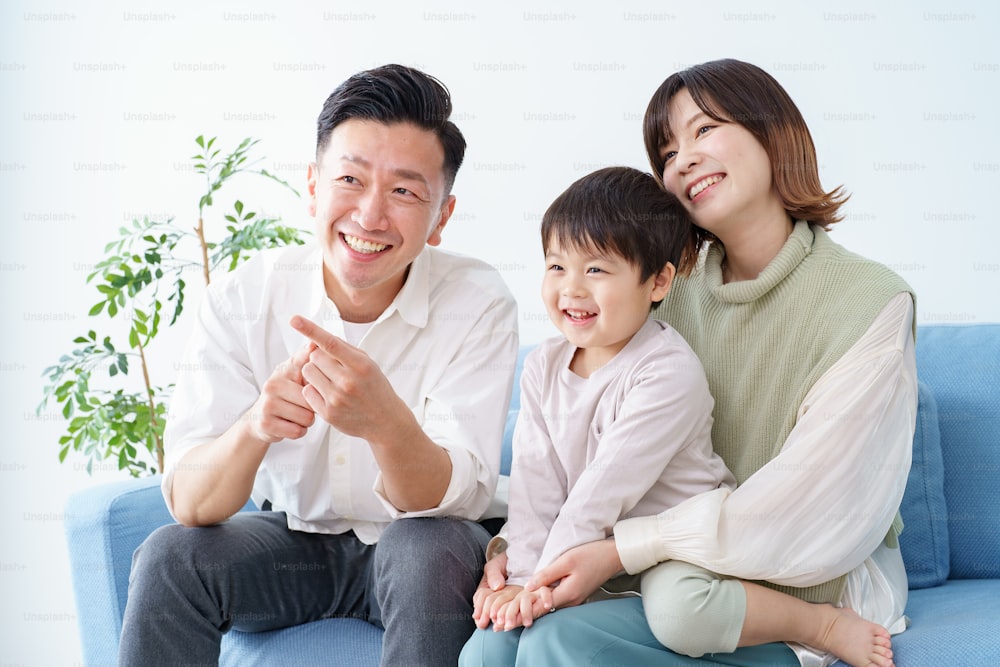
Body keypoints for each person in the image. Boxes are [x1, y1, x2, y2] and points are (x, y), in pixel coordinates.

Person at [473, 59, 916, 667]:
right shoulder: (652, 289)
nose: (681, 161)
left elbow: (813, 513)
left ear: (774, 132)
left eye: (704, 130)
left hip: (801, 573)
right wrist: (517, 561)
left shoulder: (868, 302)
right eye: (666, 150)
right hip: (655, 563)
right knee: (491, 652)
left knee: (561, 640)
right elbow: (579, 459)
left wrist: (618, 552)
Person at [117, 64, 519, 667]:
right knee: (171, 558)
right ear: (312, 185)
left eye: (405, 192)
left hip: (425, 547)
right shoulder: (242, 298)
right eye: (350, 180)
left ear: (442, 217)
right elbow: (191, 504)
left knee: (423, 548)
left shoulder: (478, 301)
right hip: (295, 543)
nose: (370, 215)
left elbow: (453, 494)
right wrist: (256, 425)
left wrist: (387, 425)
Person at [460, 167, 737, 664]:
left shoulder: (667, 371)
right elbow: (535, 491)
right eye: (557, 267)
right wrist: (519, 579)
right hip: (583, 555)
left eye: (596, 270)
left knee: (550, 641)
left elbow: (597, 496)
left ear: (658, 281)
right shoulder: (543, 365)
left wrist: (537, 588)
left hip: (671, 562)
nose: (572, 289)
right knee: (484, 651)